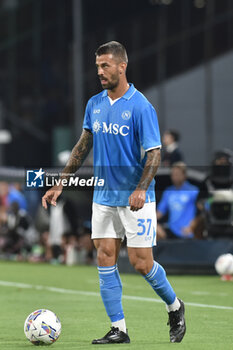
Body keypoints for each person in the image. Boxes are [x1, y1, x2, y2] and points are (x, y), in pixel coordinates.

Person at [42, 41, 186, 344]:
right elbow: (82, 146)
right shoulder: (94, 104)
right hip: (104, 195)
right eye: (97, 66)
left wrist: (141, 188)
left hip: (136, 197)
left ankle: (174, 306)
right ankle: (119, 328)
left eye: (105, 65)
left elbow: (154, 154)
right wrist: (61, 181)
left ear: (122, 66)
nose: (100, 72)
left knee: (140, 262)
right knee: (105, 256)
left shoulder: (141, 106)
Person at [157, 162, 199, 239]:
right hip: (171, 231)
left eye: (178, 174)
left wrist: (192, 227)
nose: (175, 177)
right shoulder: (168, 191)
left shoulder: (193, 191)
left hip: (187, 232)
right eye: (173, 174)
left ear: (184, 175)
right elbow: (160, 212)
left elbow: (202, 213)